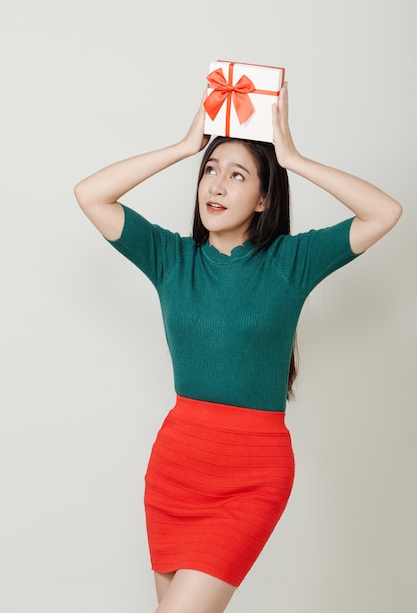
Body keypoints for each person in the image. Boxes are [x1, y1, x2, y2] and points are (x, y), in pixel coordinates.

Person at [74, 83, 402, 613]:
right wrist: (185, 147)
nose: (217, 185)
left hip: (252, 474)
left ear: (264, 197)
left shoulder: (291, 263)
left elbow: (384, 212)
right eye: (210, 170)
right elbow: (91, 194)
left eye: (237, 174)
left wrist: (291, 156)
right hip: (176, 468)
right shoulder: (170, 258)